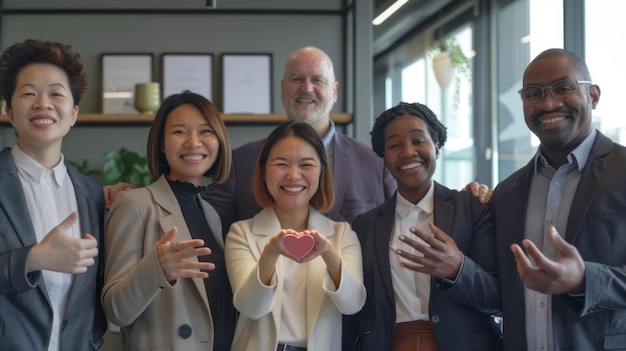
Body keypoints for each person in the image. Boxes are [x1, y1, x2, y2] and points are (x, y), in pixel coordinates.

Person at [491, 48, 626, 350]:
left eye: (563, 89)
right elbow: (498, 289)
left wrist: (585, 279)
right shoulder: (506, 192)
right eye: (533, 94)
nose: (548, 104)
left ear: (593, 96)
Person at [344, 102, 501, 351]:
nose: (407, 152)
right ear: (384, 158)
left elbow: (500, 297)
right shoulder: (366, 225)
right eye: (394, 145)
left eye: (418, 141)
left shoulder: (472, 208)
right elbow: (357, 307)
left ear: (436, 148)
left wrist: (458, 269)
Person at [102, 91, 238, 350]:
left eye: (205, 131)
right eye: (179, 132)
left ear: (219, 141)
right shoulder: (135, 203)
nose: (193, 142)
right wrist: (157, 269)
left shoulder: (210, 212)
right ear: (162, 144)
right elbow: (115, 310)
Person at [0, 39, 107, 350]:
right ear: (9, 111)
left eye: (56, 94)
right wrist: (32, 260)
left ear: (73, 114)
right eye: (29, 93)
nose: (43, 103)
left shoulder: (92, 194)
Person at [225, 120, 366, 351]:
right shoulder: (241, 233)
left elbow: (352, 304)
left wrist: (328, 253)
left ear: (321, 172)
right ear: (262, 171)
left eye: (306, 165)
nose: (293, 175)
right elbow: (251, 307)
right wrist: (270, 253)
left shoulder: (342, 235)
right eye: (281, 164)